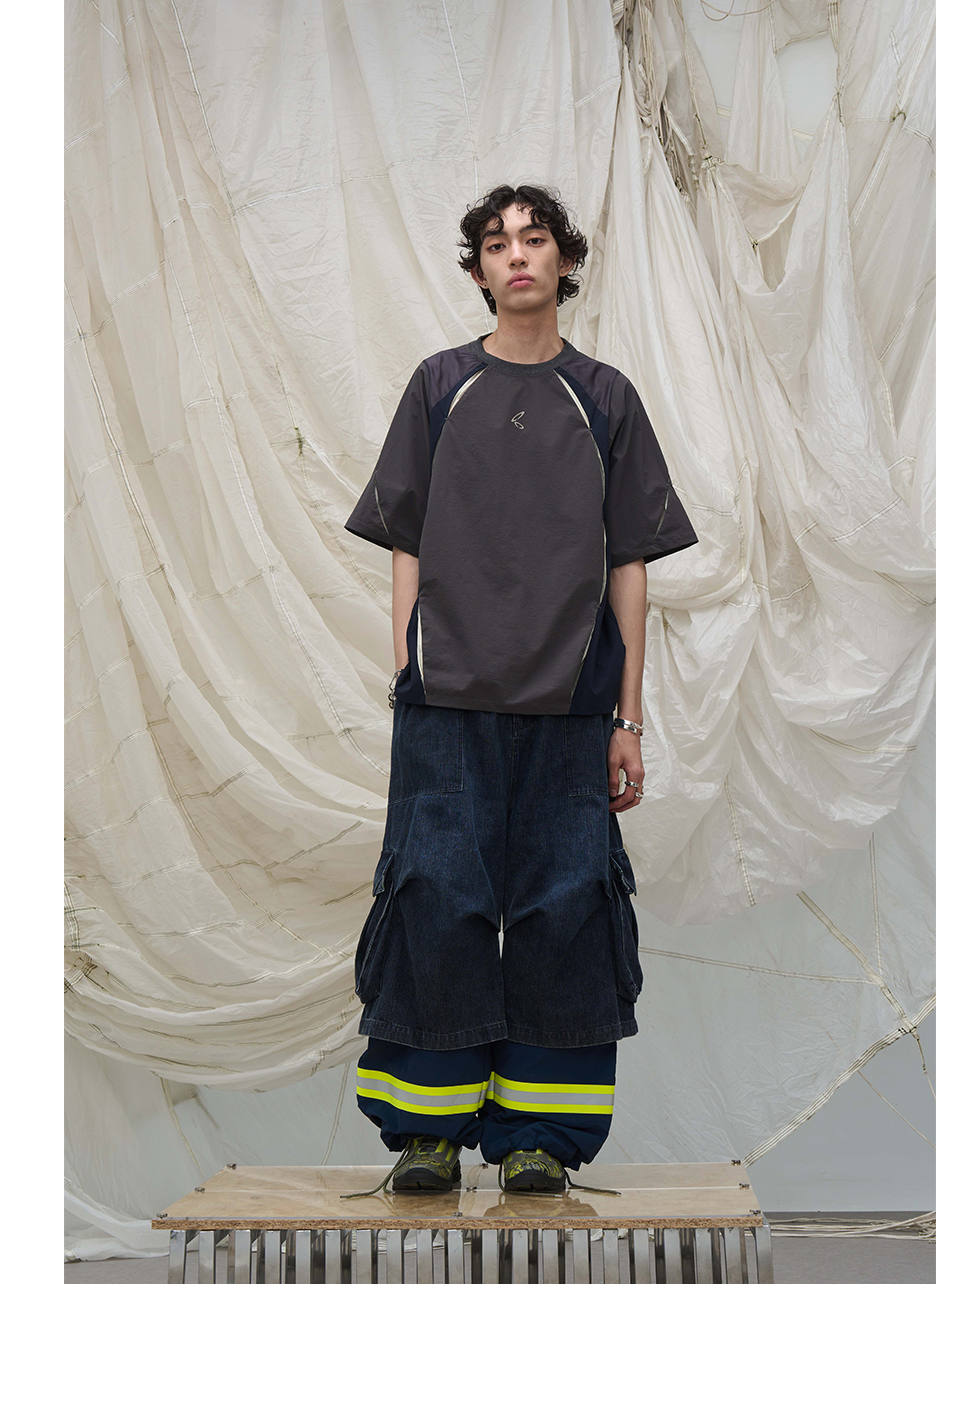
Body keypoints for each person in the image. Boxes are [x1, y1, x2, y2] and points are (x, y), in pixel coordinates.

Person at [342, 183, 698, 1195]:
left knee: (566, 909)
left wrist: (628, 716)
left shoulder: (606, 398)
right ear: (478, 272)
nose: (517, 256)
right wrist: (407, 663)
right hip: (446, 699)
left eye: (534, 239)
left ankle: (541, 1135)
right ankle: (426, 1131)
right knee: (434, 898)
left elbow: (630, 562)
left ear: (564, 261)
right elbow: (405, 537)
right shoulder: (439, 383)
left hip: (571, 703)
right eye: (496, 244)